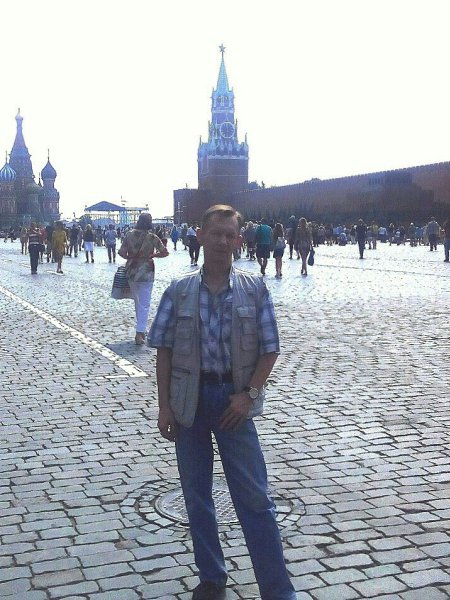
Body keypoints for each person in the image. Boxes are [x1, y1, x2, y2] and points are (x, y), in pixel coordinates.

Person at [148, 204, 296, 600]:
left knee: (255, 499)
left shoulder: (254, 289)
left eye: (230, 235)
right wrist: (164, 406)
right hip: (190, 402)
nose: (223, 241)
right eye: (216, 233)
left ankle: (278, 591)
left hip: (234, 403)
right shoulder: (178, 290)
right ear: (200, 235)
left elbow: (270, 349)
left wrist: (250, 395)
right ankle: (212, 577)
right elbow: (163, 351)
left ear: (239, 240)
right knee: (196, 497)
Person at [118, 213, 169, 345]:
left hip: (131, 270)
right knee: (144, 303)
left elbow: (121, 252)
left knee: (137, 301)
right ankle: (139, 332)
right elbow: (165, 252)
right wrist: (153, 255)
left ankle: (141, 328)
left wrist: (131, 258)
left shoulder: (129, 235)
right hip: (147, 271)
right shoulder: (152, 237)